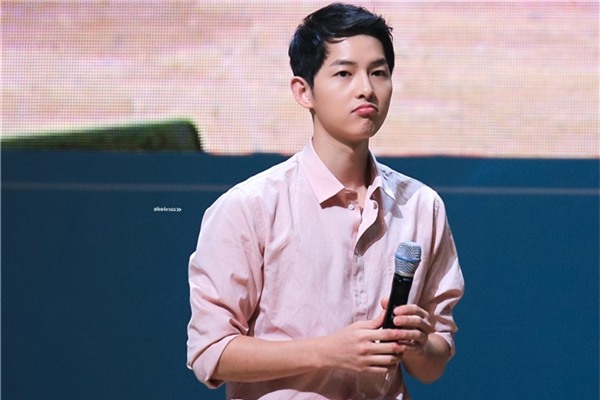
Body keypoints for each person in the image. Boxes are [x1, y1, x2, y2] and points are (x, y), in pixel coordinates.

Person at [187, 3, 464, 399]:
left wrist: (418, 344)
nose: (366, 88)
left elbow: (433, 364)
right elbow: (210, 352)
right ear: (304, 92)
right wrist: (328, 352)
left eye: (378, 72)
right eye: (344, 73)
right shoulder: (250, 207)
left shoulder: (422, 206)